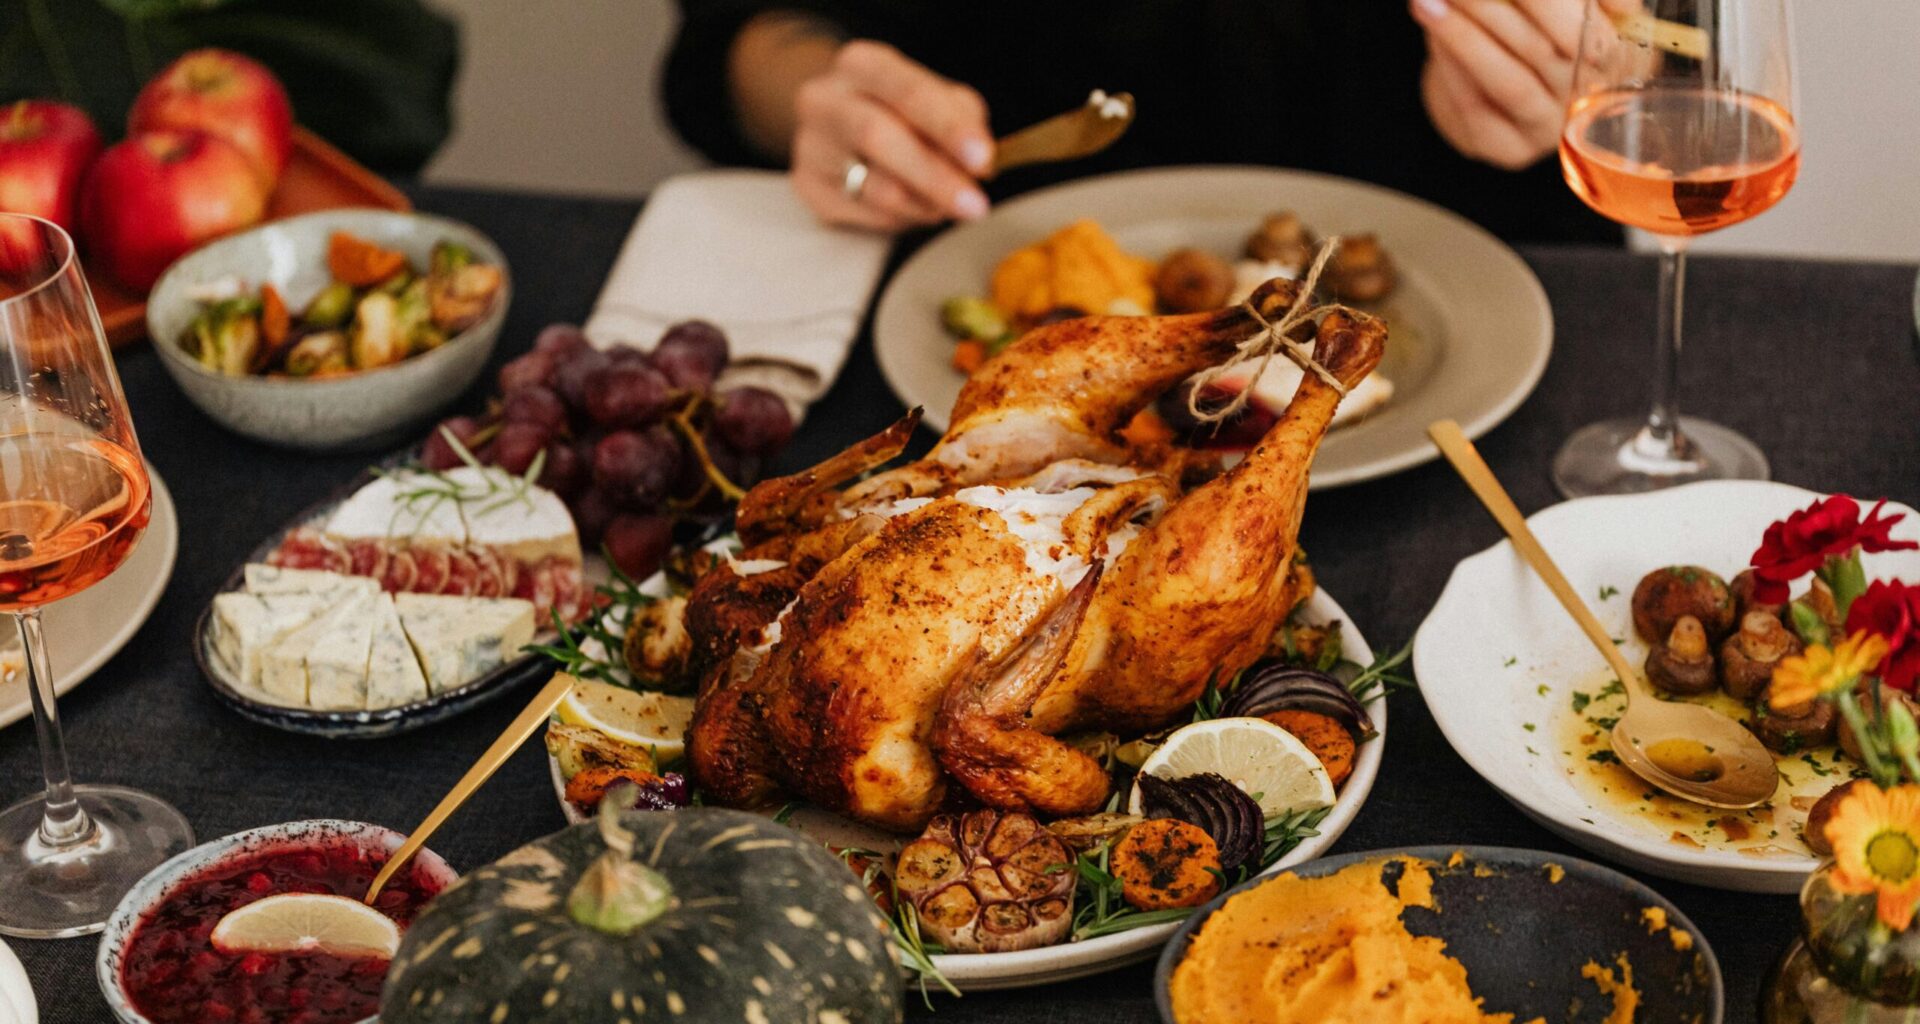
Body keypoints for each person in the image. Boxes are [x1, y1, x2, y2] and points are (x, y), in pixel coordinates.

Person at [665, 0, 1618, 243]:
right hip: (961, 284)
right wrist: (819, 96)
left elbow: (1660, 39)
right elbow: (733, 39)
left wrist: (1587, 58)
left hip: (1480, 263)